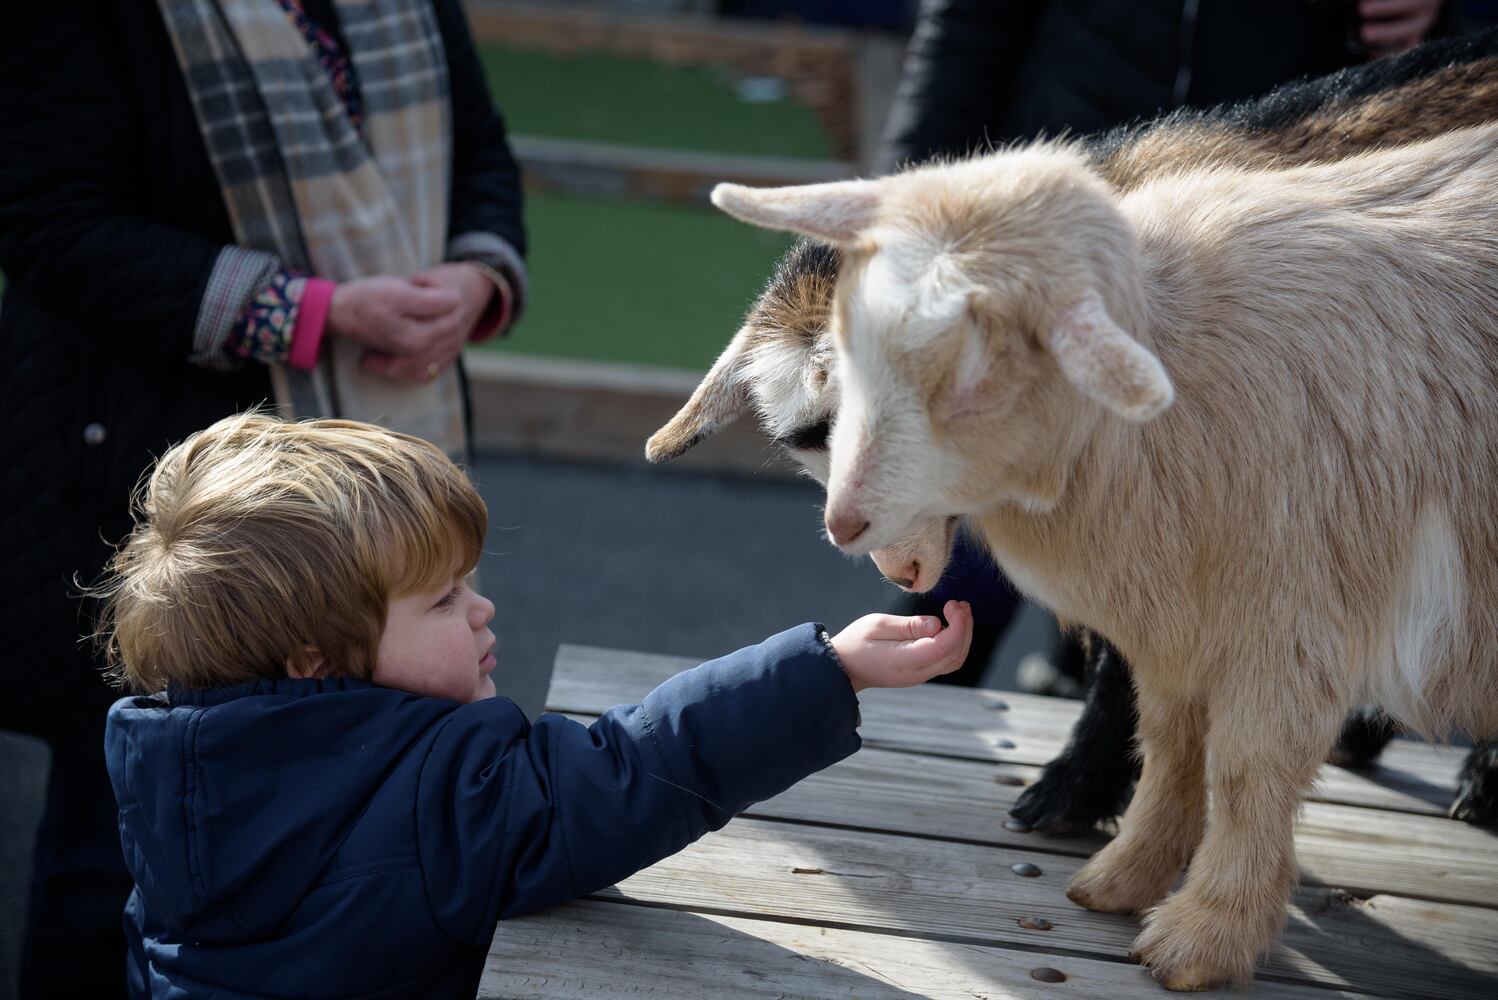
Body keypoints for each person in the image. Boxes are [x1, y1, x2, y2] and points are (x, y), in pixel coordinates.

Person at [0, 2, 528, 993]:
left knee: (363, 812)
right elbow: (50, 223)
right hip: (179, 496)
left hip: (364, 469)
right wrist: (309, 310)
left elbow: (481, 145)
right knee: (125, 844)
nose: (481, 609)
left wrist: (476, 274)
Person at [95, 411, 974, 998]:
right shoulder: (439, 799)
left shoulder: (175, 775)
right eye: (441, 601)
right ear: (315, 662)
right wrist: (826, 672)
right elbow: (621, 774)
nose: (481, 608)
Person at [877, 0, 1456, 690]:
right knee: (1005, 477)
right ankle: (937, 658)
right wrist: (896, 211)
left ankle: (1093, 688)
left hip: (1258, 223)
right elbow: (969, 26)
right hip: (1059, 200)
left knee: (1199, 497)